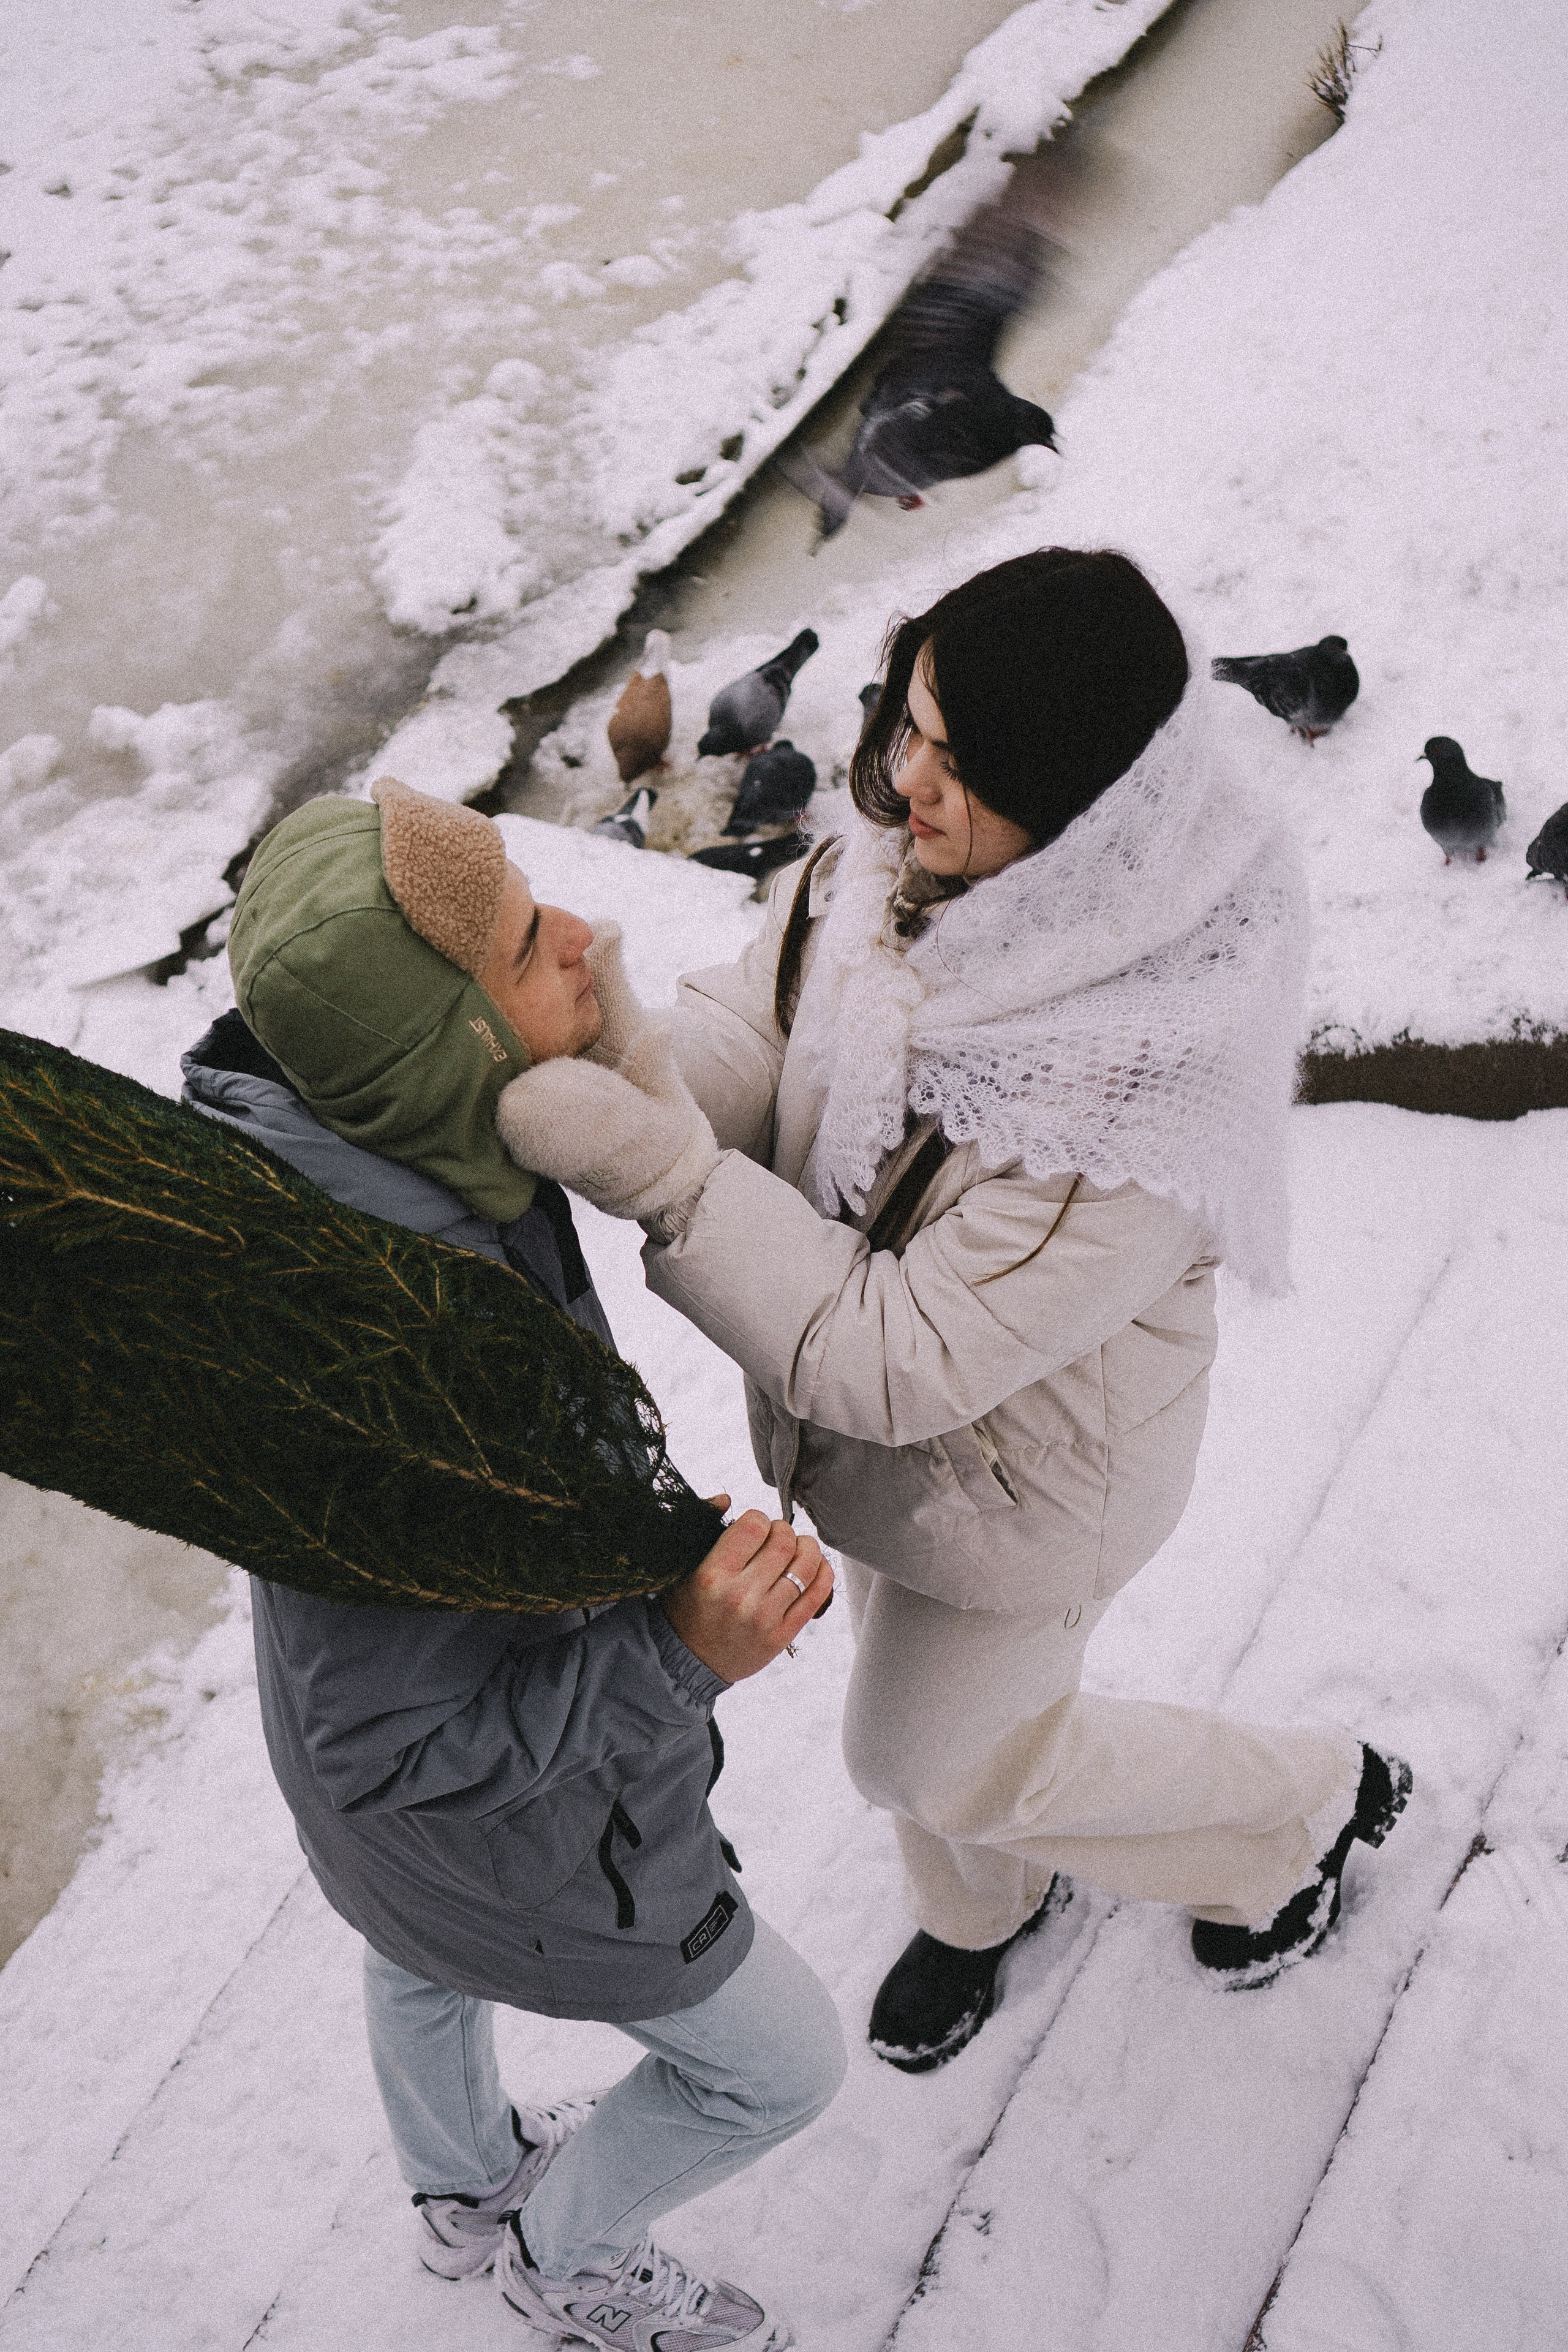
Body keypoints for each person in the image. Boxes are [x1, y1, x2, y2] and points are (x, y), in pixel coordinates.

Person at [497, 548, 1412, 2075]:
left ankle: (1293, 1815)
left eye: (959, 761)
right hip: (879, 1446)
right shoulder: (903, 865)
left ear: (1078, 809)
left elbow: (902, 1355)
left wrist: (662, 1176)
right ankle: (984, 1902)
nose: (904, 778)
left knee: (926, 1748)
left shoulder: (1131, 1080)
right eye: (908, 721)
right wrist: (626, 1057)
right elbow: (763, 1028)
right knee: (931, 1706)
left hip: (1031, 1480)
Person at [181, 778, 842, 2351]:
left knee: (413, 1952)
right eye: (530, 942)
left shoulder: (367, 1178)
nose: (587, 939)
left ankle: (461, 2186)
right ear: (449, 1049)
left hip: (393, 1857)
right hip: (524, 1841)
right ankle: (566, 2255)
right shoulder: (402, 1374)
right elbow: (392, 1744)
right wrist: (678, 1649)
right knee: (776, 2068)